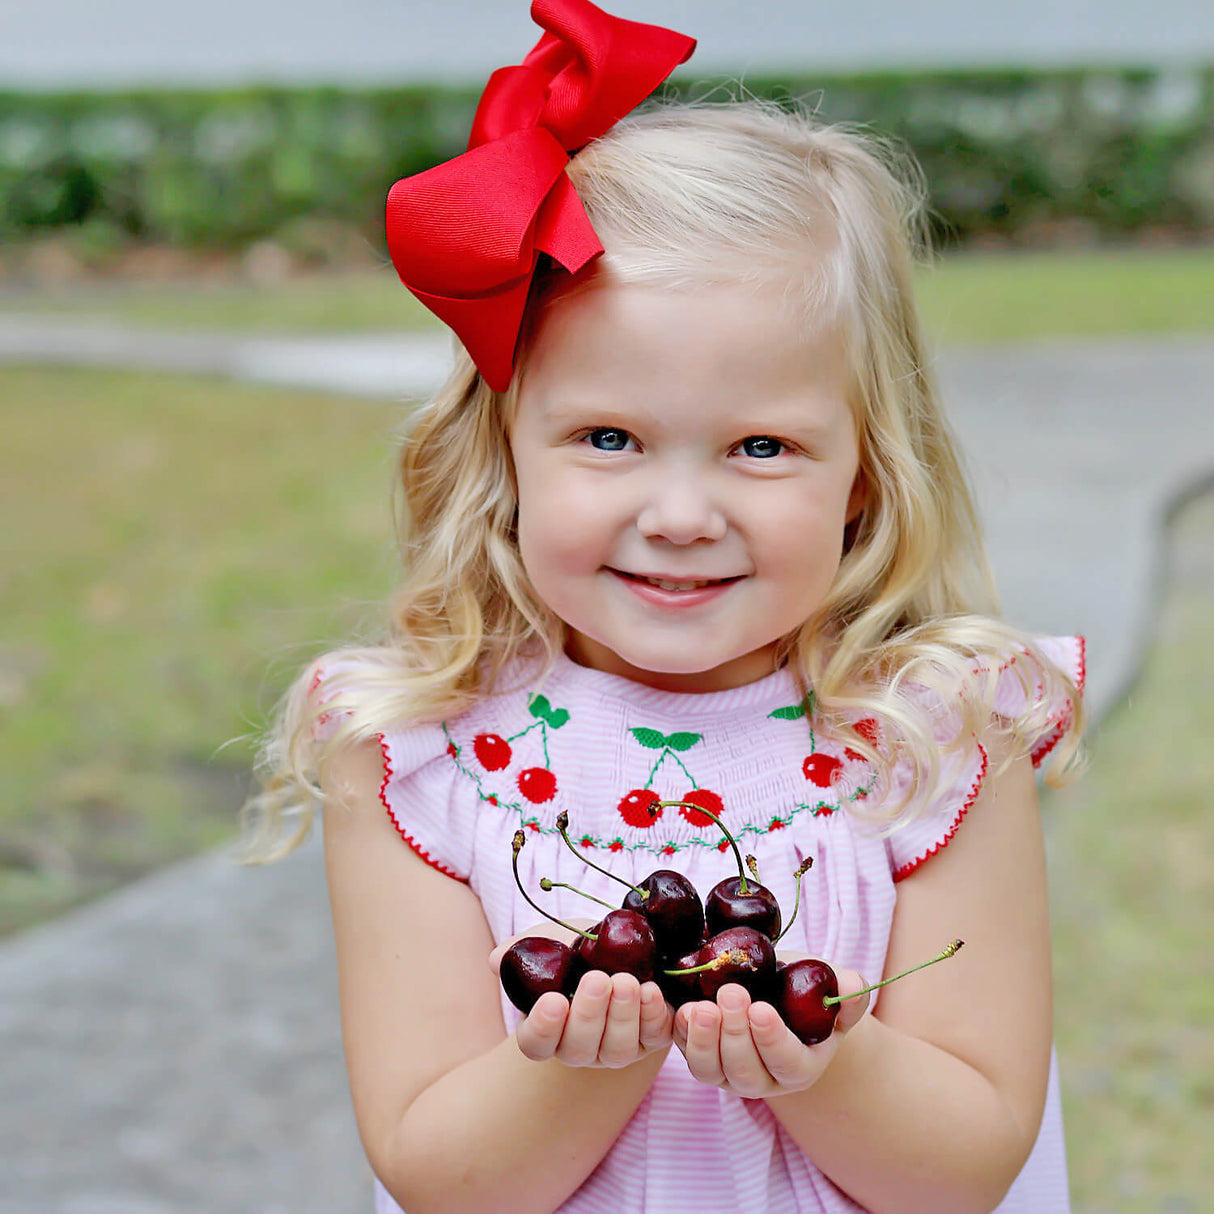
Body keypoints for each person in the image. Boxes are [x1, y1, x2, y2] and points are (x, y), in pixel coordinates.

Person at [245, 2, 1085, 1210]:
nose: (681, 511)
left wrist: (811, 1055)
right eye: (608, 437)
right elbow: (439, 1169)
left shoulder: (933, 734)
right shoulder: (418, 751)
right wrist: (598, 1053)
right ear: (504, 453)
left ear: (863, 467)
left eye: (757, 445)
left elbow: (964, 1162)